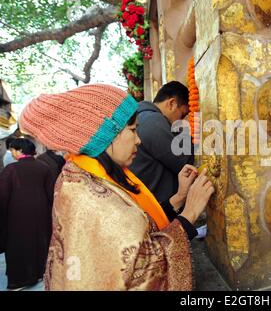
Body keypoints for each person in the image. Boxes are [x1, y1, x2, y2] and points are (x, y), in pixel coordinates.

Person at [19, 84, 214, 290]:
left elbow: (137, 231)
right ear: (107, 135)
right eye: (132, 130)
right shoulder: (88, 197)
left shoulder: (89, 175)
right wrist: (190, 214)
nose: (138, 140)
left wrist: (179, 198)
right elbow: (142, 271)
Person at [0, 138, 54, 290]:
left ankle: (19, 280)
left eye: (13, 150)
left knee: (18, 245)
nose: (12, 153)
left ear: (20, 151)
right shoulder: (44, 168)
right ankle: (38, 274)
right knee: (38, 242)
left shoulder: (11, 170)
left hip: (17, 215)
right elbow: (52, 194)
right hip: (41, 213)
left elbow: (2, 196)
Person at [129, 81, 193, 203]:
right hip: (156, 207)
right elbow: (185, 162)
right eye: (183, 115)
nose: (182, 120)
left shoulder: (145, 116)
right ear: (172, 103)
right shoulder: (153, 121)